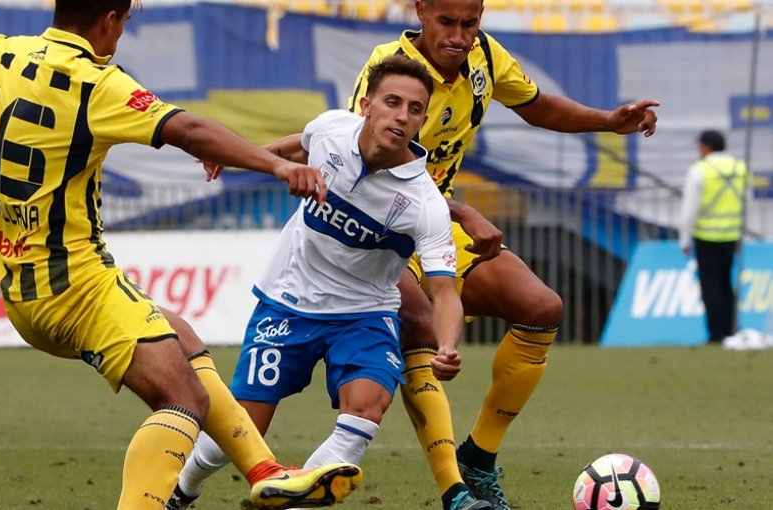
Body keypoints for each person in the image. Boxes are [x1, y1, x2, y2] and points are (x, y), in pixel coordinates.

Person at [0, 1, 362, 509]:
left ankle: (264, 471)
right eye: (125, 24)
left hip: (19, 283)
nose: (121, 36)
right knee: (183, 400)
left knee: (182, 337)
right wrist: (277, 166)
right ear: (109, 19)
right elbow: (191, 131)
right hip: (76, 286)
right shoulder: (97, 83)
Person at [346, 1, 660, 508]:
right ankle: (454, 491)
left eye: (470, 24)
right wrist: (464, 211)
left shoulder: (485, 57)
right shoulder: (390, 68)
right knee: (420, 325)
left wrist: (608, 120)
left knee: (542, 308)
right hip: (380, 230)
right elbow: (366, 163)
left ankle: (478, 457)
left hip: (439, 228)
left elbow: (534, 105)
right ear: (421, 11)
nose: (459, 35)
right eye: (447, 22)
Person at [168, 55, 490, 510]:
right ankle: (182, 491)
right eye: (392, 102)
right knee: (238, 431)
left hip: (364, 315)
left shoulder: (424, 204)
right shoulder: (331, 130)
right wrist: (238, 157)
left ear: (421, 121)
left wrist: (448, 343)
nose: (402, 115)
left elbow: (443, 291)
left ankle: (293, 500)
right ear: (367, 104)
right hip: (288, 301)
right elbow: (297, 148)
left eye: (415, 109)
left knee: (367, 406)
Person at [679, 130, 750, 344]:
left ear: (705, 146)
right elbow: (747, 202)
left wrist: (684, 237)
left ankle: (716, 334)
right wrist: (742, 233)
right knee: (726, 283)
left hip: (706, 235)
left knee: (710, 286)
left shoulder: (700, 170)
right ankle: (731, 329)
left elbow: (689, 208)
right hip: (731, 234)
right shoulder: (740, 168)